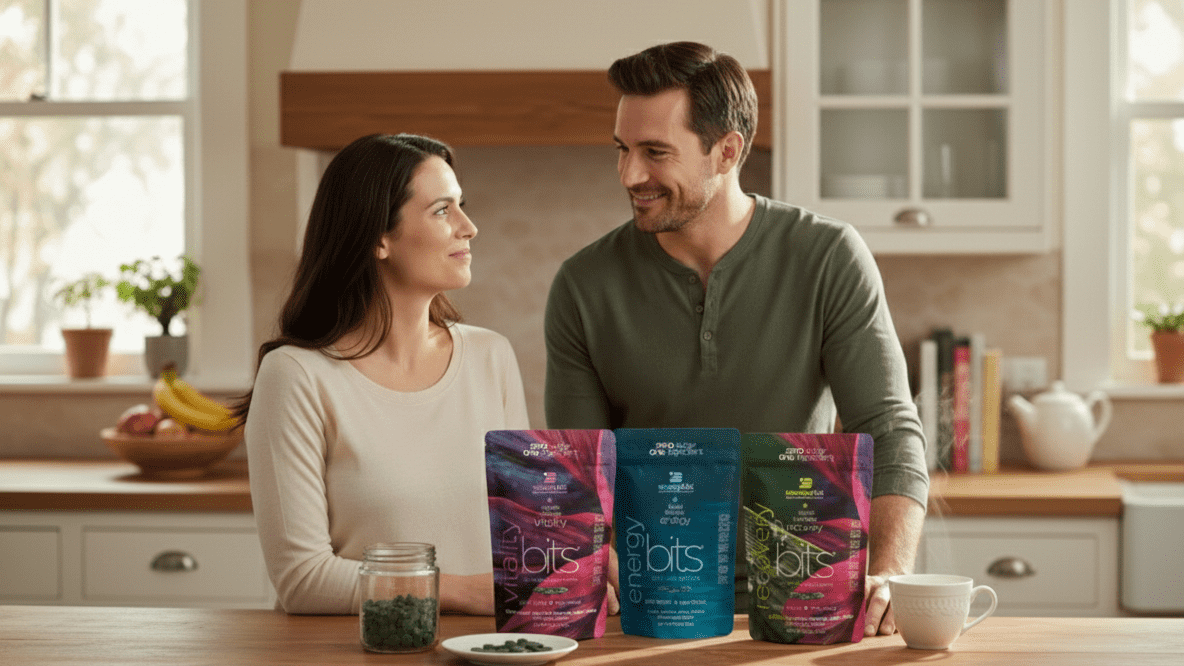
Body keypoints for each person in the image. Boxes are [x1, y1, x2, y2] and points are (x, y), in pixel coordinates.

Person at [543, 42, 929, 637]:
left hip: (810, 601)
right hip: (653, 608)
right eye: (622, 150)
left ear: (728, 150)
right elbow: (579, 473)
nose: (630, 174)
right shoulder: (583, 284)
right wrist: (598, 559)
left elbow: (889, 429)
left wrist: (891, 573)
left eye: (655, 153)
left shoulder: (827, 257)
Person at [235, 133, 530, 615]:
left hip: (487, 651)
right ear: (378, 238)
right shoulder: (296, 376)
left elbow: (523, 531)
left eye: (462, 205)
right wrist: (461, 591)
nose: (469, 227)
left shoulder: (490, 357)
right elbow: (303, 579)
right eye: (442, 210)